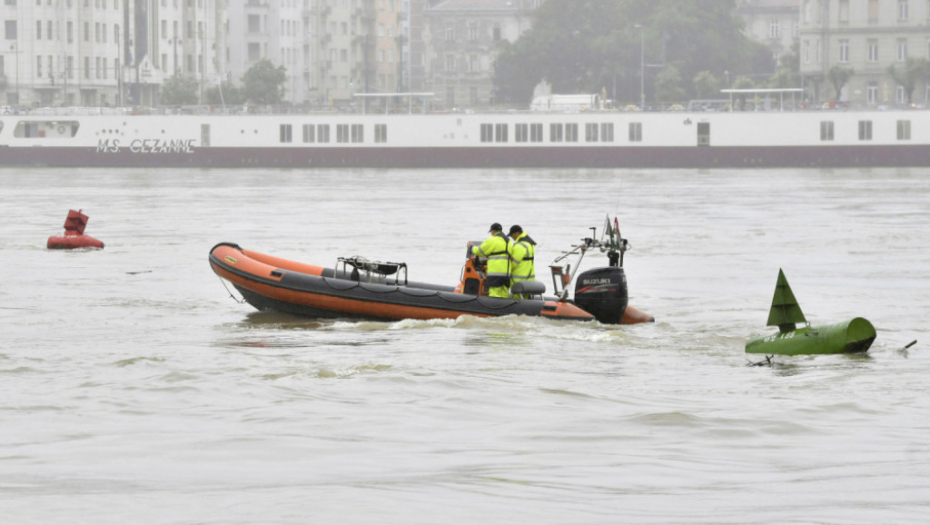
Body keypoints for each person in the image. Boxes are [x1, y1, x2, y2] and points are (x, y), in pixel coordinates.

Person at [471, 222, 512, 298]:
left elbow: (479, 251)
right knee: (504, 294)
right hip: (506, 274)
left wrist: (472, 247)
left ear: (493, 231)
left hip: (495, 273)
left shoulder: (492, 240)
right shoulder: (508, 241)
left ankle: (494, 310)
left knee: (494, 295)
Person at [508, 225, 536, 298]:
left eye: (512, 235)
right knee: (525, 299)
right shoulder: (530, 244)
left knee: (517, 299)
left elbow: (513, 263)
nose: (512, 238)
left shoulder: (520, 245)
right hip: (529, 278)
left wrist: (503, 269)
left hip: (518, 280)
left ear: (517, 233)